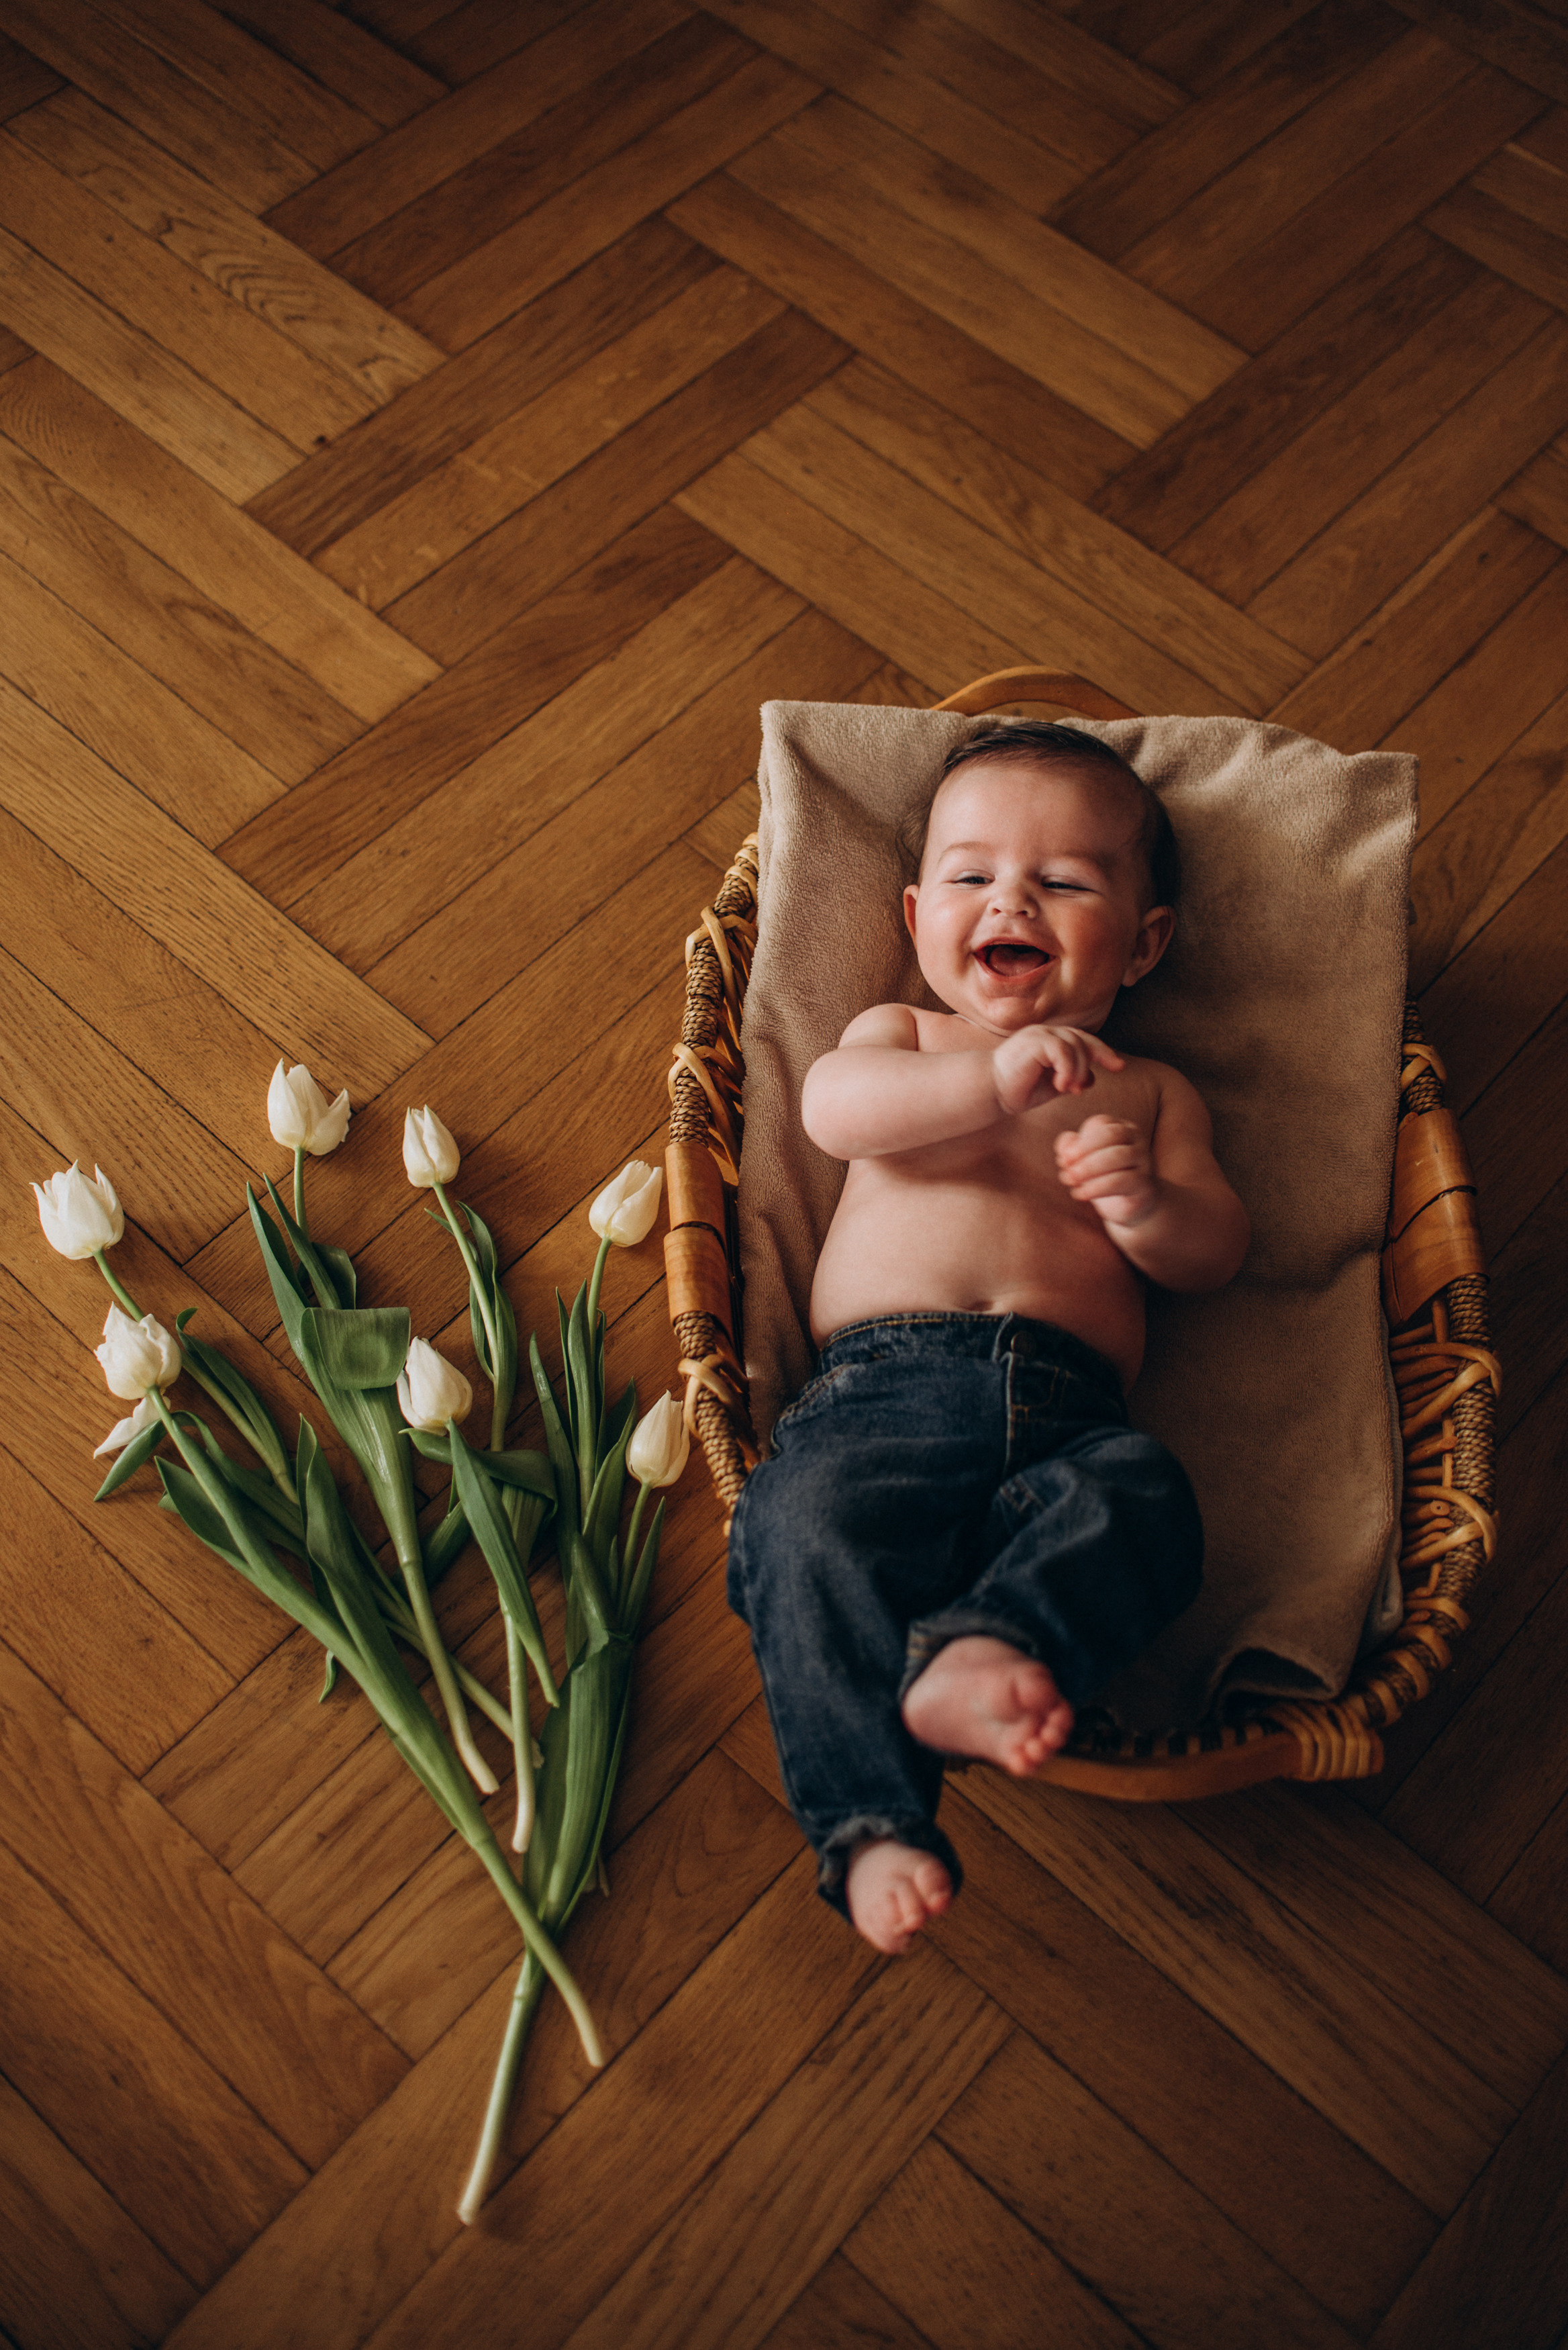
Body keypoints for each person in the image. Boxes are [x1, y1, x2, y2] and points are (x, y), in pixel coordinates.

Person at [726, 722, 1250, 1956]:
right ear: (916, 921)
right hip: (881, 1395)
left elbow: (1217, 1251)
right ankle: (870, 1823)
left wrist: (1148, 1208)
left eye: (1064, 882)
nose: (1009, 896)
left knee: (1151, 1503)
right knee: (791, 1527)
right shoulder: (907, 1038)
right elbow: (834, 1112)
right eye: (970, 877)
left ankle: (988, 1644)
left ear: (1146, 940)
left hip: (1078, 1420)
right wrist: (992, 1081)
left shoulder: (1154, 1091)